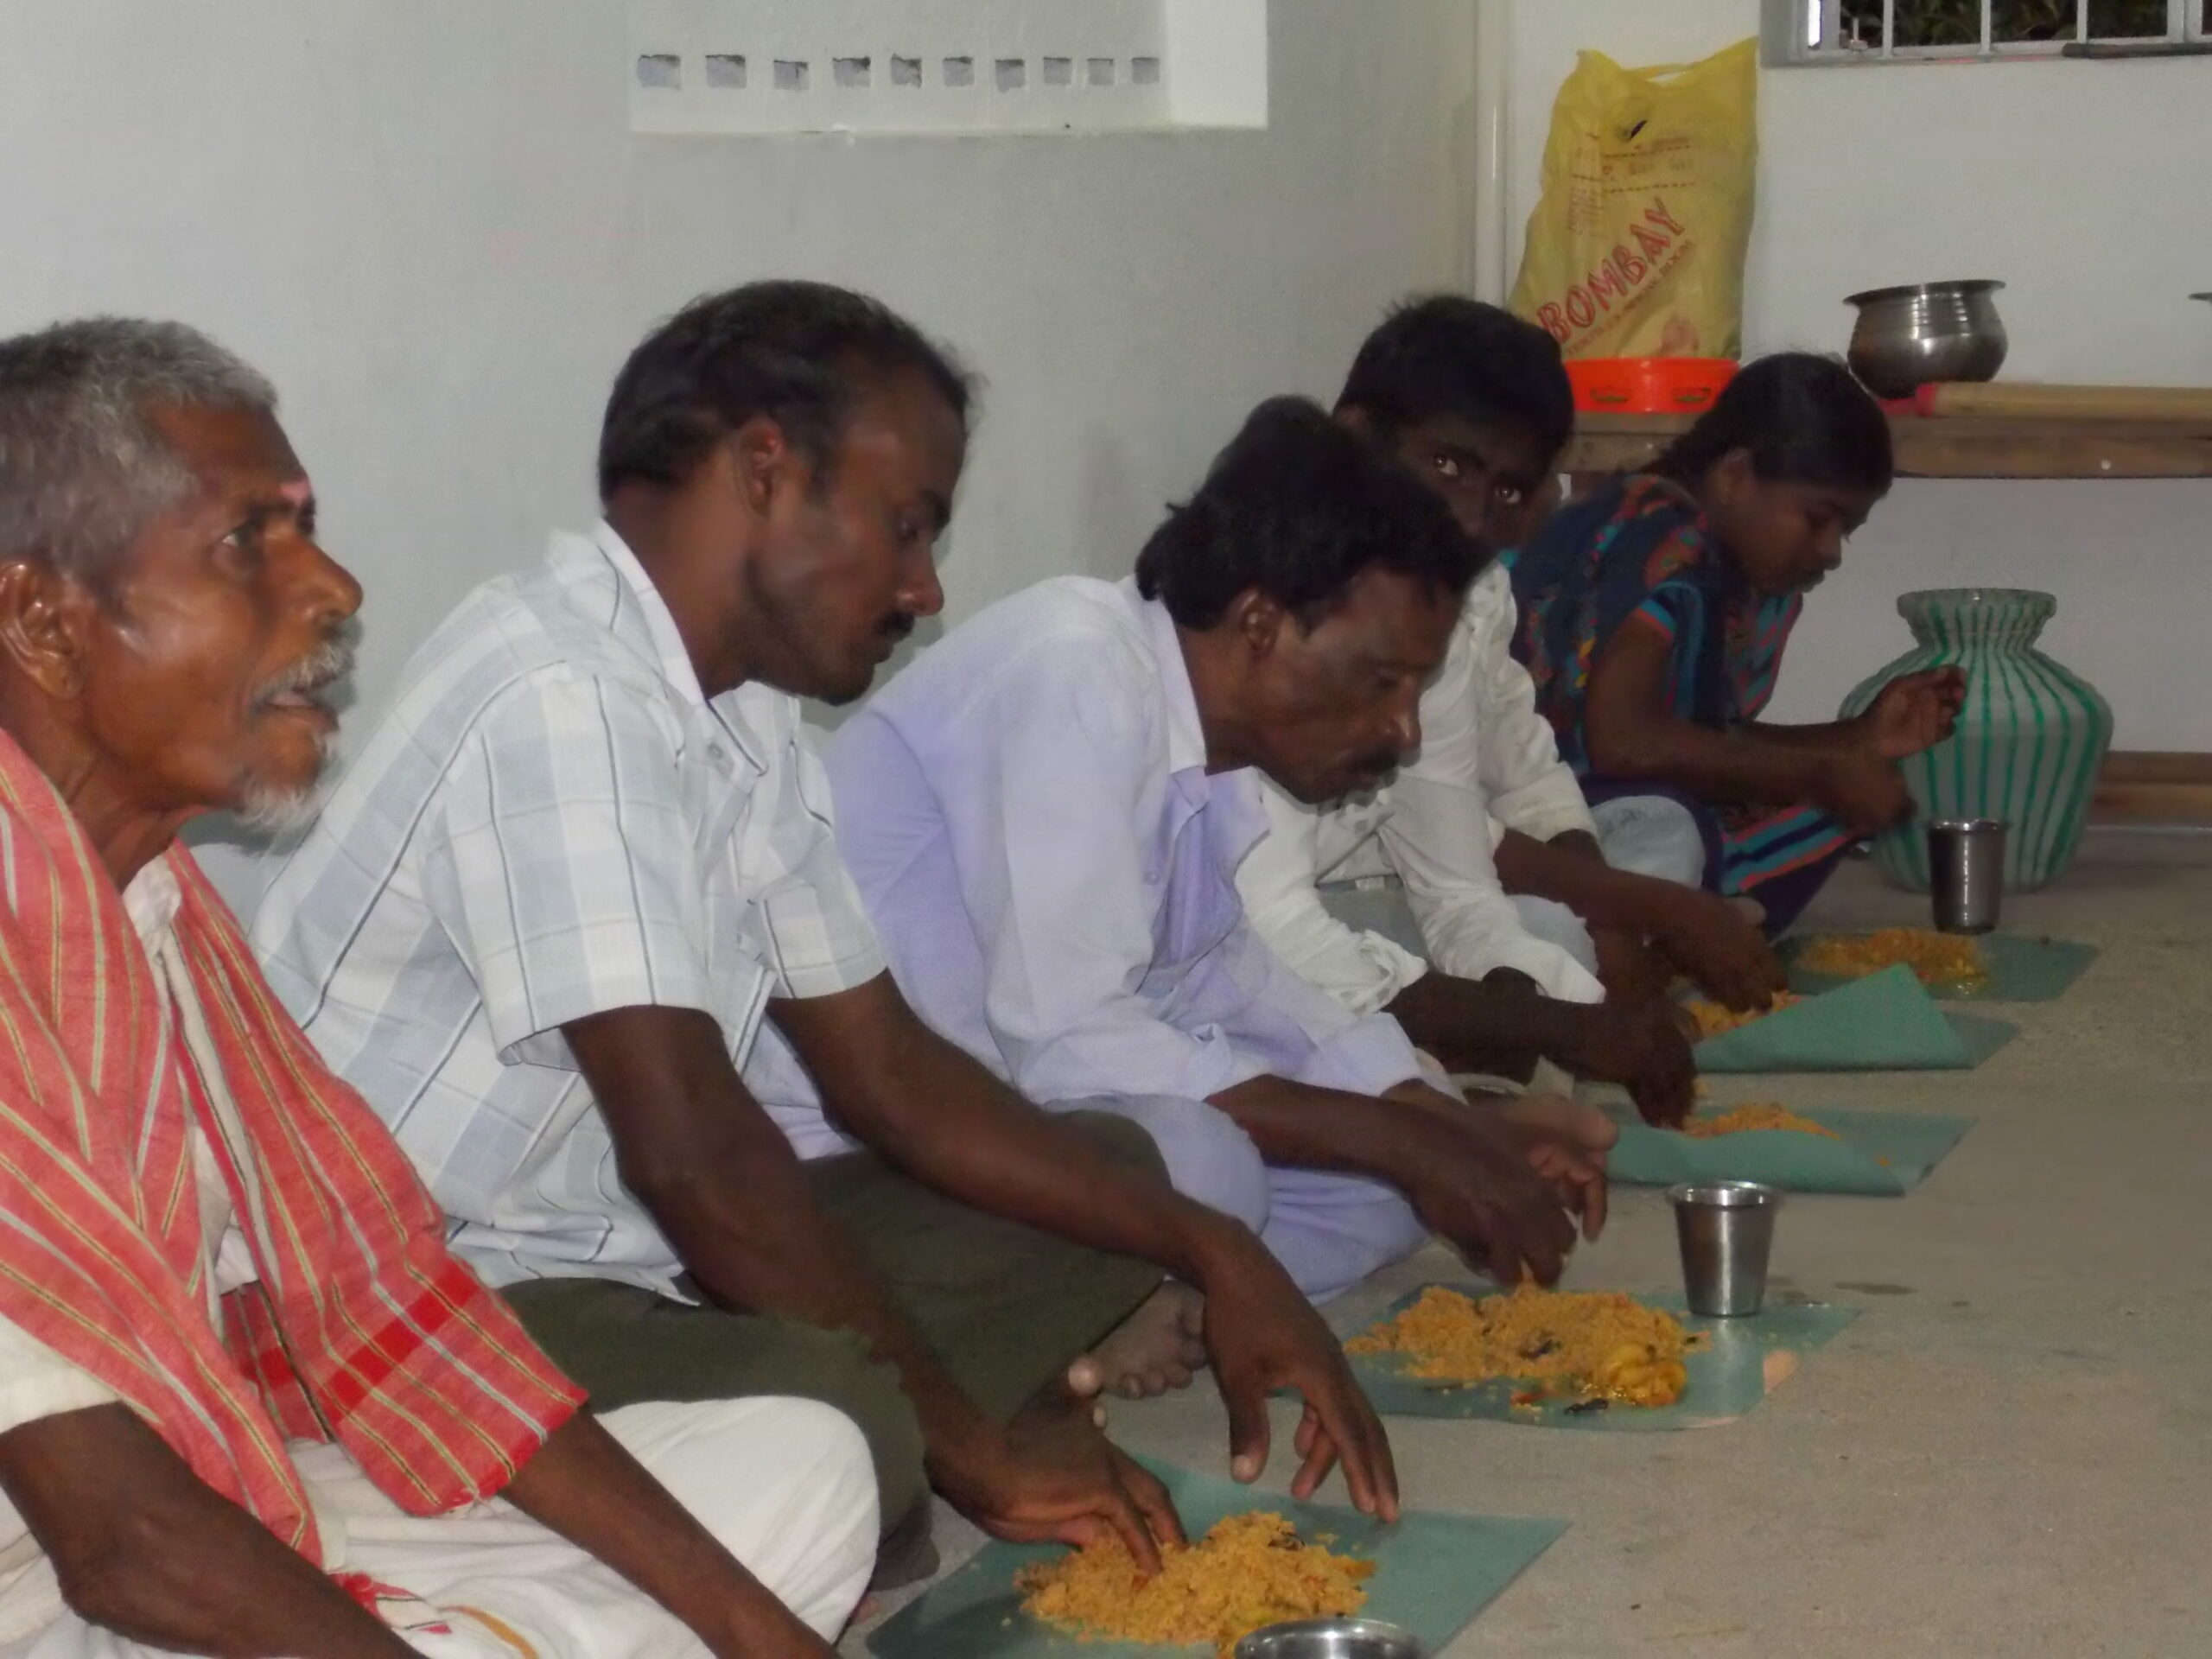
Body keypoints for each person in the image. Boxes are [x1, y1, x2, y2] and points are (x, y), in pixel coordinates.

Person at [253, 283, 1399, 1585]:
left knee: (1119, 1173)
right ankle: (876, 1438)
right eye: (905, 526)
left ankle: (852, 1415)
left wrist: (1211, 1246)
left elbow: (891, 1075)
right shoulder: (562, 693)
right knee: (849, 1433)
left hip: (627, 1257)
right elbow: (692, 1154)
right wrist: (968, 1449)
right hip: (419, 1304)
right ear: (763, 470)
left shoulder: (743, 716)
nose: (925, 585)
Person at [0, 317, 875, 1657]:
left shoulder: (154, 910)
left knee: (803, 1472)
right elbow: (126, 1547)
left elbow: (398, 1322)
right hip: (62, 1583)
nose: (335, 587)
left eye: (307, 529)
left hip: (209, 1494)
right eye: (248, 541)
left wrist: (766, 1639)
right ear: (43, 625)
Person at [823, 397, 1613, 1309]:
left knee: (1383, 1201)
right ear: (1260, 624)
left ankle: (1167, 1313)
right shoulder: (1074, 666)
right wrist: (1400, 1140)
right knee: (1209, 1168)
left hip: (1019, 1114)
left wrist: (1442, 1125)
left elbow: (1227, 980)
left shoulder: (1207, 749)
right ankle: (1098, 1316)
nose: (1404, 732)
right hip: (867, 1150)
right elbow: (1070, 1039)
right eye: (1383, 680)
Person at [1237, 299, 1781, 1126]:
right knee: (1532, 954)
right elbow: (1268, 940)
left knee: (1559, 925)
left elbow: (1460, 883)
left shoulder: (1453, 602)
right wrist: (1568, 1009)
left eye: (1506, 490)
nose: (1470, 515)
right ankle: (1461, 1083)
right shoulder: (1276, 608)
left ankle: (1477, 1077)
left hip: (1382, 917)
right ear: (1355, 437)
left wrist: (1569, 996)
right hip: (1262, 941)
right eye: (1447, 465)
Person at [1510, 352, 1965, 932]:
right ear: (1734, 476)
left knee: (1824, 799)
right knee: (1692, 821)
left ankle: (1689, 919)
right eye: (1818, 519)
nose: (1831, 551)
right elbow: (1623, 742)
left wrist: (1858, 740)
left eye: (1846, 530)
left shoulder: (1709, 560)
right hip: (1538, 823)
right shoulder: (1667, 544)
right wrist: (1818, 773)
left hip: (1596, 809)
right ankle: (1662, 928)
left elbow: (1699, 736)